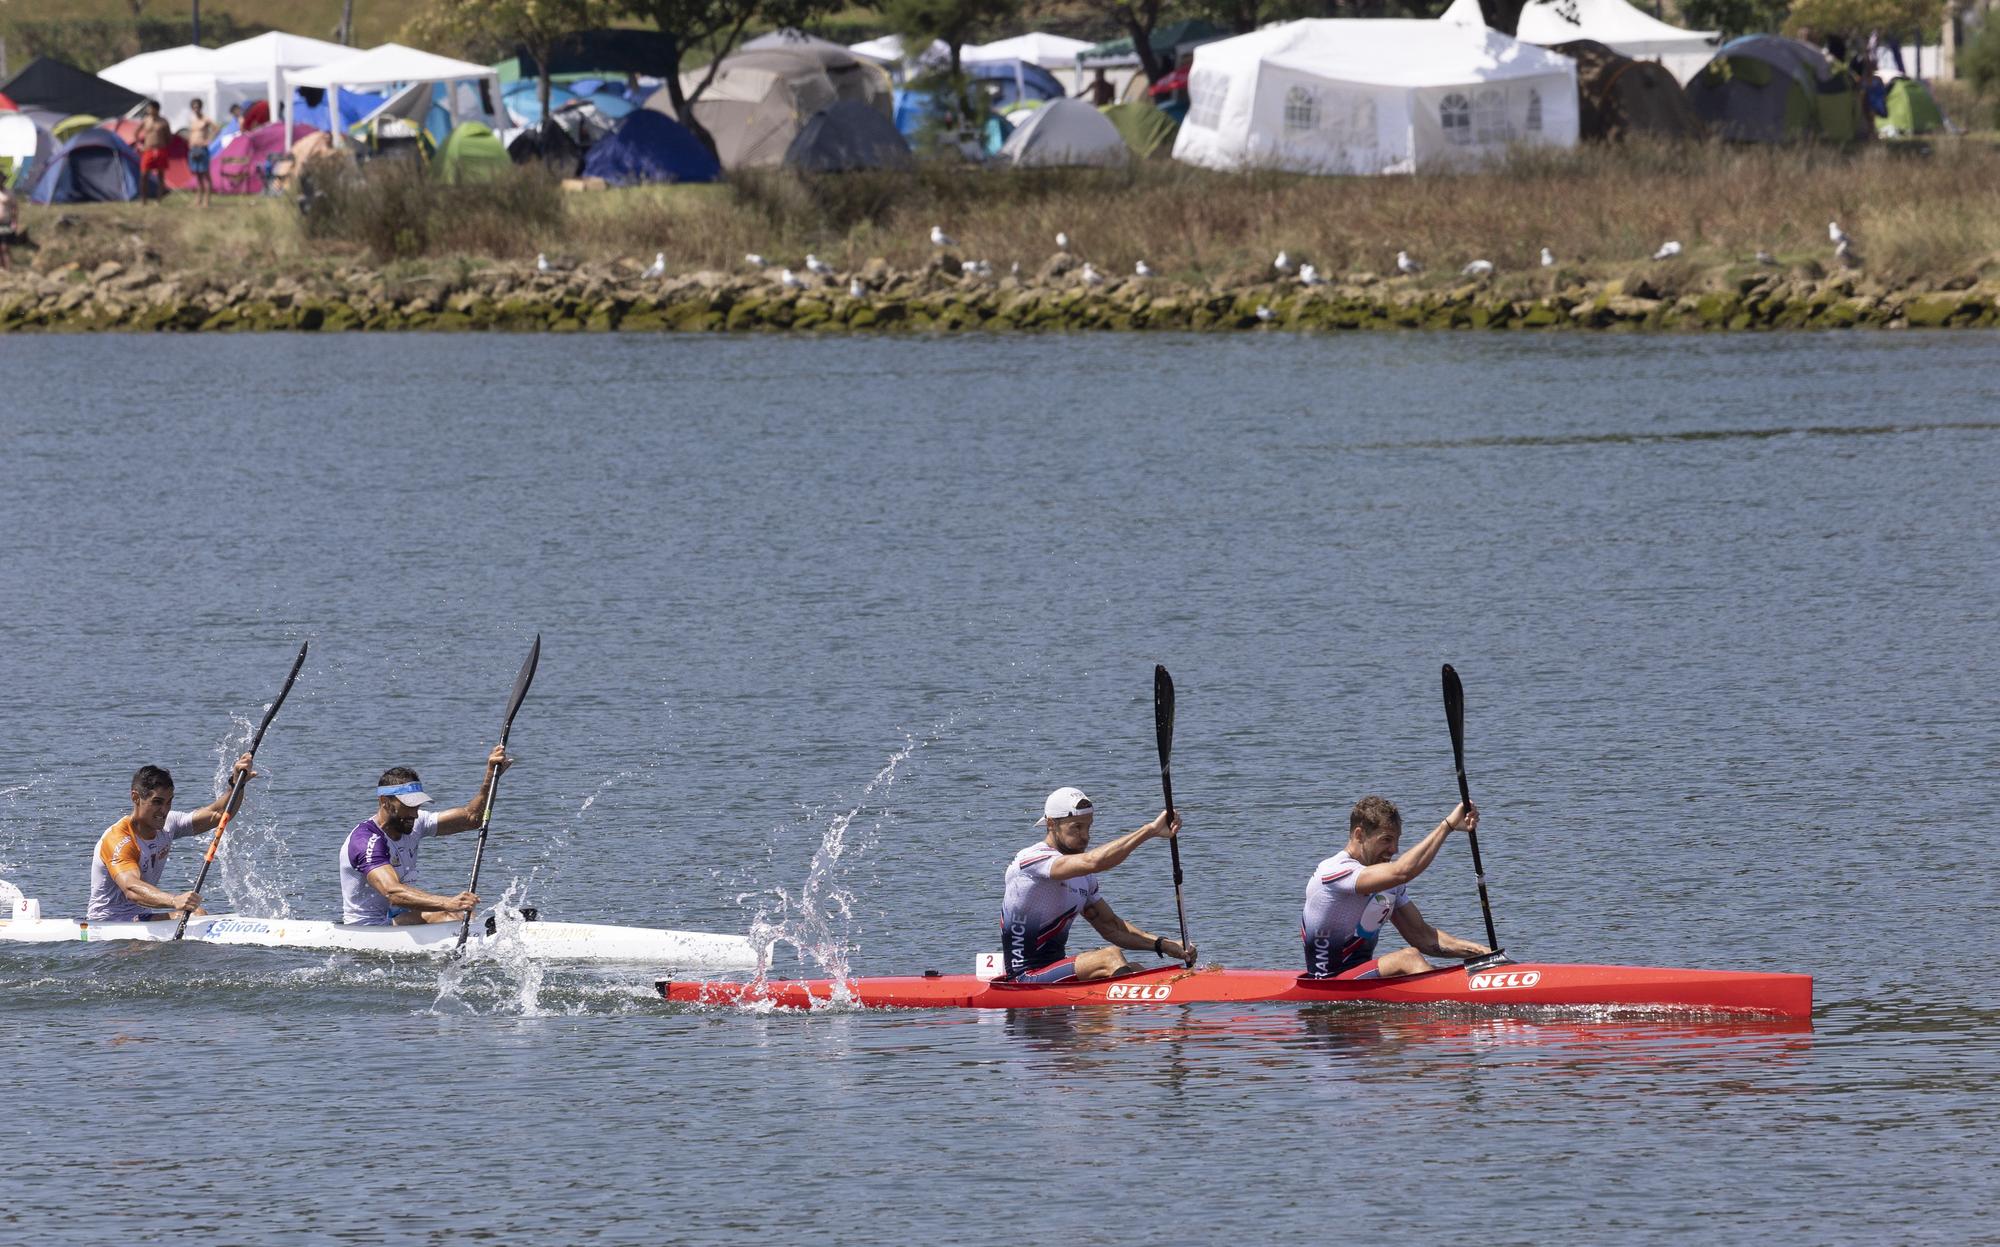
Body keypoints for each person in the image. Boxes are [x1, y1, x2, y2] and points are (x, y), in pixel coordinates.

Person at [999, 786, 1194, 983]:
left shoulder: (1084, 878)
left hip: (1054, 970)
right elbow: (1094, 861)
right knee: (1110, 957)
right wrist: (1149, 830)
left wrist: (1162, 944)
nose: (1085, 835)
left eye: (1088, 826)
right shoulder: (1032, 860)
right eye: (1076, 827)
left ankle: (1134, 1010)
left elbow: (1112, 928)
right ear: (1051, 824)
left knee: (1136, 969)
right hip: (1024, 977)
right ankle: (1128, 1007)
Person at [1301, 795, 1491, 979]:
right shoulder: (1333, 871)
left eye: (1397, 840)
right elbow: (1402, 871)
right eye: (1386, 839)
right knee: (1409, 958)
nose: (1394, 849)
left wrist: (1482, 952)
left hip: (1361, 977)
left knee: (1417, 957)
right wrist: (1447, 826)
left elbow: (1424, 937)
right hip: (1327, 980)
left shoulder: (1389, 885)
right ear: (1359, 835)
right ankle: (1451, 1000)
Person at [338, 745, 512, 926]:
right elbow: (393, 892)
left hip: (397, 915)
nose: (414, 814)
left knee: (458, 913)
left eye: (417, 806)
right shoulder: (366, 841)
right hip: (371, 928)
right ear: (385, 802)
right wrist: (448, 903)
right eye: (408, 806)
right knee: (449, 913)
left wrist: (491, 777)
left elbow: (472, 818)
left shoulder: (415, 820)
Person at [87, 754, 256, 923]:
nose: (164, 810)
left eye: (169, 802)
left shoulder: (168, 824)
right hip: (109, 923)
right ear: (135, 797)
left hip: (141, 918)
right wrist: (175, 900)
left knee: (197, 914)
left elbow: (218, 815)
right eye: (157, 802)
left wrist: (236, 785)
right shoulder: (118, 839)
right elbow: (131, 888)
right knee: (195, 915)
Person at [134, 100, 171, 204]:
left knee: (160, 176)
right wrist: (139, 145)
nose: (148, 110)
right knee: (144, 175)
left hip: (160, 150)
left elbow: (169, 137)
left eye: (150, 108)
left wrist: (164, 146)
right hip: (148, 150)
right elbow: (136, 132)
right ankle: (143, 200)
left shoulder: (163, 121)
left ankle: (159, 200)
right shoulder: (146, 120)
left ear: (156, 109)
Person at [185, 97, 218, 207]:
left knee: (205, 175)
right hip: (193, 149)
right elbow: (191, 133)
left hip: (203, 149)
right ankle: (198, 200)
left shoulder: (206, 119)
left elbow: (216, 129)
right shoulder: (192, 120)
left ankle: (207, 201)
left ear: (201, 107)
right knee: (198, 176)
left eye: (197, 107)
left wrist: (208, 140)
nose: (196, 109)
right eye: (194, 107)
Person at [0, 183, 17, 271]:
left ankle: (8, 268)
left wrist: (14, 222)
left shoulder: (9, 193)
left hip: (6, 223)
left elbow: (14, 207)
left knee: (5, 247)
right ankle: (2, 268)